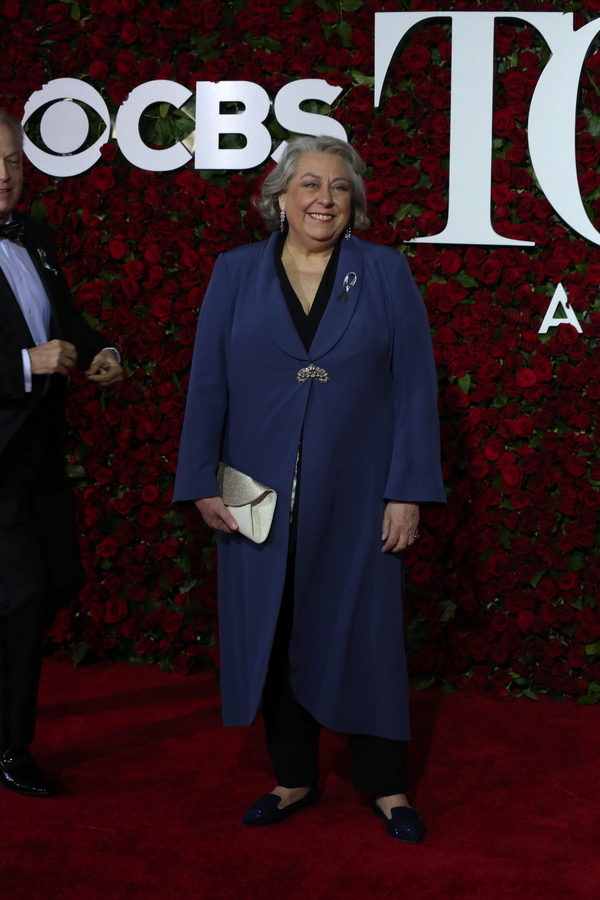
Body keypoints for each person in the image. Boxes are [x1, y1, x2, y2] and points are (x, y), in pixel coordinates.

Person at [174, 135, 445, 842]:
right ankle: (292, 778)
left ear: (353, 204)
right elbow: (209, 384)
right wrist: (199, 478)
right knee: (274, 627)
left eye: (340, 188)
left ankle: (386, 787)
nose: (325, 199)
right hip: (253, 494)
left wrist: (407, 491)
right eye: (310, 185)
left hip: (360, 494)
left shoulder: (383, 271)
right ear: (281, 198)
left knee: (367, 633)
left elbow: (414, 387)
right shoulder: (233, 273)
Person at [0, 110, 123, 797]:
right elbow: (34, 349)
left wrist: (100, 349)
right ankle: (10, 747)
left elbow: (66, 317)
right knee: (21, 595)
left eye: (13, 160)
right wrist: (25, 362)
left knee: (61, 582)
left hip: (40, 452)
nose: (4, 175)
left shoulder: (36, 235)